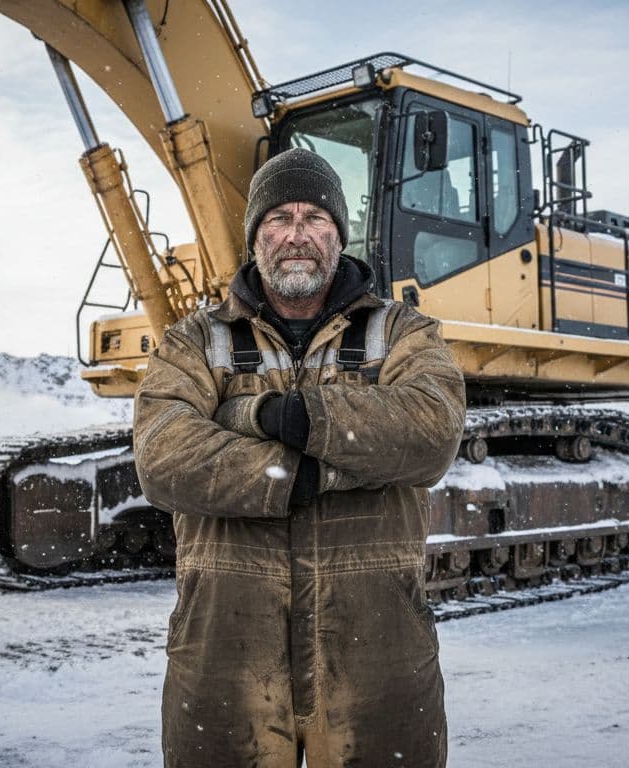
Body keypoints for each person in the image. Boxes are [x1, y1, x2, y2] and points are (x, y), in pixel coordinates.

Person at [133, 147, 466, 767]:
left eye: (315, 218)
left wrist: (267, 416)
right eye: (278, 218)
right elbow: (163, 454)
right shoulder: (193, 341)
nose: (296, 235)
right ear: (255, 236)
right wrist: (297, 474)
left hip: (377, 650)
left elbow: (431, 430)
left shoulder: (402, 333)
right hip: (225, 654)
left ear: (339, 234)